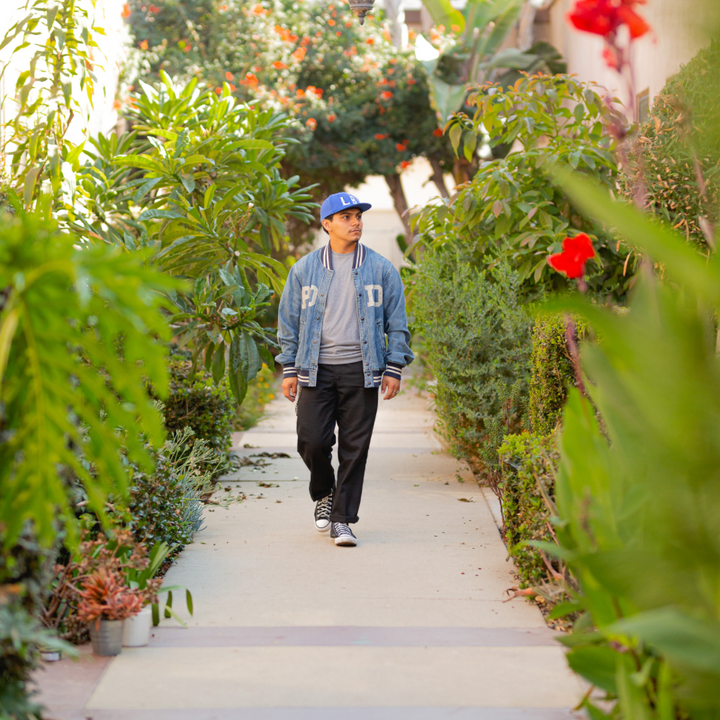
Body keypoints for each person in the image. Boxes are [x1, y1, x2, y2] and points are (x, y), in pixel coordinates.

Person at [276, 192, 414, 547]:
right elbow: (288, 322)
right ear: (327, 224)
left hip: (362, 370)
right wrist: (289, 367)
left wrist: (394, 366)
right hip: (315, 370)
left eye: (358, 216)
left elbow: (397, 323)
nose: (356, 222)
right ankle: (324, 491)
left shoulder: (381, 268)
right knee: (312, 440)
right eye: (346, 217)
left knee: (355, 448)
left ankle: (342, 519)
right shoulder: (304, 269)